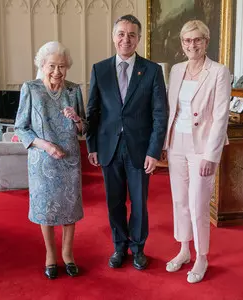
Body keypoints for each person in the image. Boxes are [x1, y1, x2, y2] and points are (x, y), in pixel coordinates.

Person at [86, 14, 168, 270]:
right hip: (109, 148)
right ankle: (119, 247)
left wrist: (154, 151)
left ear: (138, 39)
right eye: (121, 34)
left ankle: (138, 248)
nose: (126, 39)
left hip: (140, 150)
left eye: (132, 35)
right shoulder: (100, 69)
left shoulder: (152, 70)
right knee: (114, 201)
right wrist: (92, 146)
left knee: (140, 203)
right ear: (113, 37)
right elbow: (93, 112)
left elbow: (159, 113)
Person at [163, 20, 231, 283]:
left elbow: (220, 116)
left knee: (198, 204)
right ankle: (183, 249)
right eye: (187, 41)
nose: (192, 45)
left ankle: (202, 256)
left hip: (202, 146)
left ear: (206, 41)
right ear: (182, 44)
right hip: (176, 142)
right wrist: (165, 144)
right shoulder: (177, 70)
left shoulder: (218, 71)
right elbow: (173, 110)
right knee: (179, 201)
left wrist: (211, 155)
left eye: (197, 40)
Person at [14, 41, 86, 280]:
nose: (57, 71)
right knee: (45, 210)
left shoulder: (74, 90)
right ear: (42, 65)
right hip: (42, 162)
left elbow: (83, 129)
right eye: (52, 66)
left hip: (69, 161)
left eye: (62, 66)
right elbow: (21, 128)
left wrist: (76, 118)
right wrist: (45, 146)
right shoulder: (31, 89)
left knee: (69, 210)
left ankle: (68, 254)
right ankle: (50, 255)